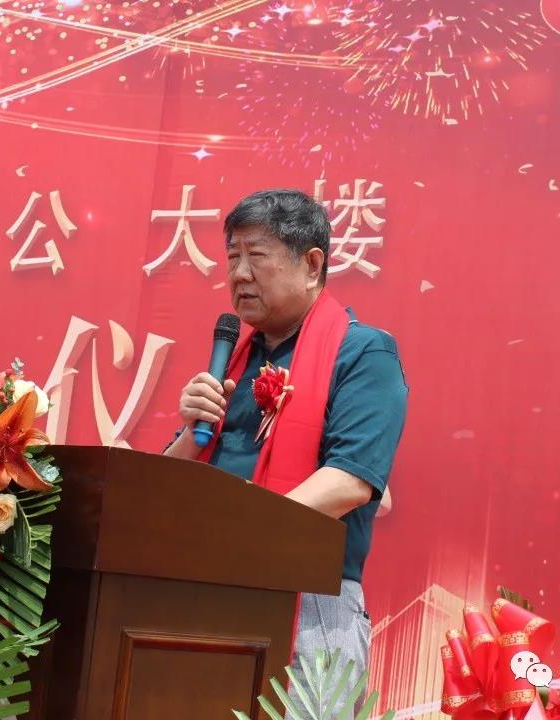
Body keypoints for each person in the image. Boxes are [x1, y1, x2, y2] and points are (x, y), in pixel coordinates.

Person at [163, 188, 408, 715]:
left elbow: (349, 480)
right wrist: (189, 432)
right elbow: (165, 487)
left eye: (256, 255)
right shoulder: (232, 361)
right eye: (232, 256)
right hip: (207, 591)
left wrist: (243, 535)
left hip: (309, 602)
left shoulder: (363, 353)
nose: (239, 274)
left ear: (312, 265)